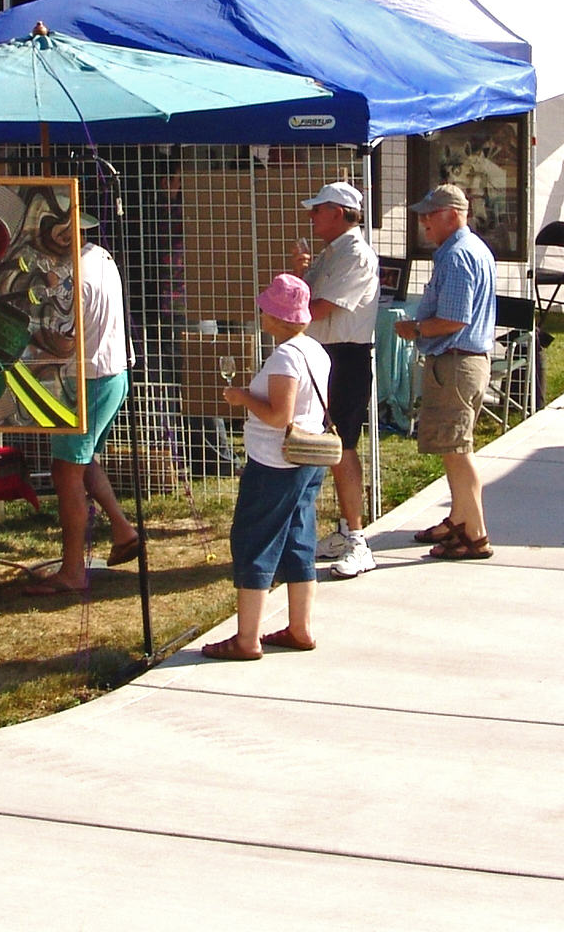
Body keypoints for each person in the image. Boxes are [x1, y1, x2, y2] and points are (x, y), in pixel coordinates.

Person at [203, 273, 329, 659]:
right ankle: (300, 627)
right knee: (298, 538)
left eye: (265, 309)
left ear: (275, 316)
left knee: (255, 539)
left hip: (275, 462)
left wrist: (242, 397)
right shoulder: (315, 350)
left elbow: (279, 415)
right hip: (309, 458)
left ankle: (246, 638)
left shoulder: (286, 356)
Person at [24, 209, 141, 595]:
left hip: (86, 380)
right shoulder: (100, 256)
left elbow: (58, 340)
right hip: (113, 373)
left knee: (65, 473)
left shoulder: (73, 277)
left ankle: (73, 571)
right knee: (82, 460)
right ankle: (123, 529)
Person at [394, 184, 496, 559]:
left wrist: (415, 329)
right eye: (421, 215)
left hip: (455, 363)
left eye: (430, 215)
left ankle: (475, 533)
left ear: (453, 215)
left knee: (458, 449)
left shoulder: (456, 257)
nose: (423, 223)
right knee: (454, 447)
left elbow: (454, 319)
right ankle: (459, 520)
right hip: (461, 362)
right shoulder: (471, 250)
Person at [291, 182, 380, 580]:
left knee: (342, 445)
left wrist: (289, 309)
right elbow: (308, 299)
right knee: (320, 442)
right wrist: (299, 274)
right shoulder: (333, 252)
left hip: (345, 355)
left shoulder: (356, 255)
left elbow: (318, 309)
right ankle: (345, 531)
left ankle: (358, 540)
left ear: (340, 213)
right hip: (325, 353)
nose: (311, 217)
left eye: (318, 210)